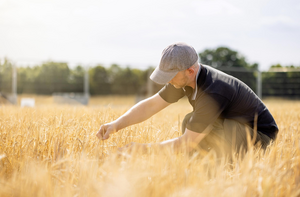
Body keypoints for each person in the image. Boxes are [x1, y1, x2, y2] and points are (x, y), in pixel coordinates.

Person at [96, 42, 278, 157]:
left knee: (196, 133)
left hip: (260, 137)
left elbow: (187, 142)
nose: (167, 80)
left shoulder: (213, 91)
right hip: (234, 126)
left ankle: (222, 168)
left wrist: (142, 149)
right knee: (190, 122)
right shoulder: (184, 80)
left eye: (171, 75)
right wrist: (115, 125)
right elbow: (151, 105)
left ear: (190, 70)